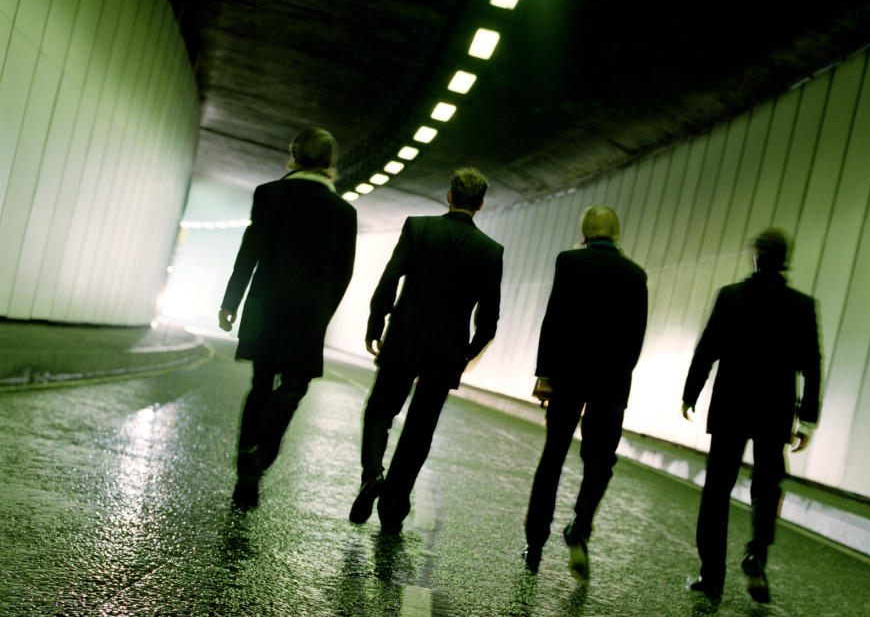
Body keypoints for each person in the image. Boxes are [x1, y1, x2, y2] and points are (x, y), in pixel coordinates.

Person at [349, 167, 503, 533]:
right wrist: (466, 354)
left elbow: (390, 277)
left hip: (403, 339)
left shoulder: (418, 228)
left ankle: (373, 475)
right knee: (419, 432)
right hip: (445, 352)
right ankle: (393, 510)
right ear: (480, 205)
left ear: (448, 196)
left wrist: (377, 323)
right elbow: (490, 317)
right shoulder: (490, 251)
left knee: (379, 413)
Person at [218, 127, 357, 509]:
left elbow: (251, 249)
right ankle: (261, 458)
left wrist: (231, 301)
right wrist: (323, 313)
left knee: (261, 381)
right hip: (308, 310)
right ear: (330, 164)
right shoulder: (344, 212)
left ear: (292, 155)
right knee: (293, 387)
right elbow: (343, 272)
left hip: (264, 303)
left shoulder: (269, 194)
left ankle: (246, 453)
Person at [681, 227, 821, 602]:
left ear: (756, 257)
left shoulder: (731, 297)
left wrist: (690, 393)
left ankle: (711, 577)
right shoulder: (802, 306)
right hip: (774, 411)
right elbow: (812, 365)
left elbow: (707, 348)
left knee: (717, 492)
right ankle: (757, 550)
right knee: (767, 484)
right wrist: (807, 418)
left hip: (731, 407)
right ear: (784, 259)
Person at [523, 206, 648, 585]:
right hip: (610, 384)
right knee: (599, 462)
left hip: (568, 379)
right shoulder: (635, 275)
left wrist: (545, 373)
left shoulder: (570, 262)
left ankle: (535, 546)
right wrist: (617, 380)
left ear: (584, 232)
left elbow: (555, 317)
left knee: (553, 458)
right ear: (616, 234)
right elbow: (635, 339)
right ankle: (580, 524)